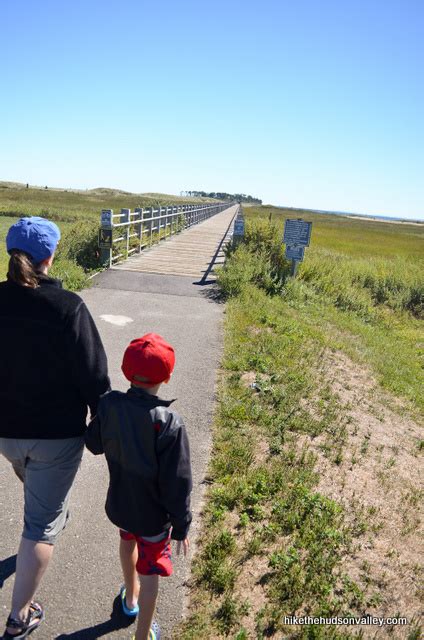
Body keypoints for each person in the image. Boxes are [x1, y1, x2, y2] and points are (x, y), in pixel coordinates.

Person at [0, 216, 110, 639]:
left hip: (6, 433)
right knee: (40, 528)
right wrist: (104, 423)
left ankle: (46, 504)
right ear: (51, 256)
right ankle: (18, 617)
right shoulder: (68, 307)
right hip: (57, 436)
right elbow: (95, 376)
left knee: (35, 484)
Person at [85, 333, 192, 640]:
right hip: (154, 519)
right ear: (168, 377)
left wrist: (103, 415)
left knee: (127, 541)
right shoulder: (169, 422)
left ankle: (129, 598)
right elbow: (178, 481)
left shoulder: (110, 405)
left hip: (121, 506)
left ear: (126, 371)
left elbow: (93, 445)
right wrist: (181, 525)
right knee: (151, 572)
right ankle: (142, 635)